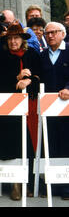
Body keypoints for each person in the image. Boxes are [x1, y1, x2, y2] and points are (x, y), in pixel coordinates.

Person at [0, 23, 40, 200]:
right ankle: (15, 184)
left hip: (31, 107)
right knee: (13, 143)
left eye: (16, 38)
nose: (13, 41)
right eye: (10, 38)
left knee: (30, 143)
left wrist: (30, 81)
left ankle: (30, 183)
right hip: (9, 109)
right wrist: (16, 79)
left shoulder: (33, 55)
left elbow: (42, 77)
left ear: (22, 39)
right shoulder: (1, 57)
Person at [40, 22, 69, 199]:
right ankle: (53, 186)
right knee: (50, 146)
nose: (50, 36)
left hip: (67, 109)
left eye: (54, 32)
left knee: (66, 146)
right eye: (47, 33)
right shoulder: (42, 56)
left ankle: (66, 187)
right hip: (48, 110)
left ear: (63, 34)